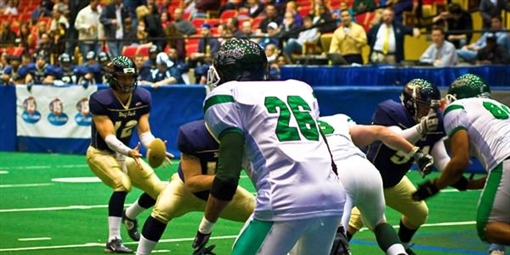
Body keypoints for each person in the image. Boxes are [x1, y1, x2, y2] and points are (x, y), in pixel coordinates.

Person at [192, 38, 346, 255]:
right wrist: (339, 223)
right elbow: (330, 161)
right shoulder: (299, 89)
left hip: (283, 198)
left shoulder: (229, 96)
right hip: (333, 197)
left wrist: (205, 227)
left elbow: (227, 177)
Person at [346, 78, 464, 255]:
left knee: (419, 212)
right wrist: (421, 128)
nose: (429, 112)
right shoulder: (390, 111)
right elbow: (397, 140)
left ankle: (403, 245)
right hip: (370, 179)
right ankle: (334, 248)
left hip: (395, 180)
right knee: (354, 221)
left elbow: (440, 156)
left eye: (432, 107)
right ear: (410, 103)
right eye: (424, 107)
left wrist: (453, 170)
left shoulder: (433, 122)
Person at [412, 73, 510, 247]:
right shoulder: (499, 107)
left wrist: (435, 186)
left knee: (489, 226)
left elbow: (460, 161)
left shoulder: (457, 107)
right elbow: (500, 181)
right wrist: (469, 184)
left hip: (505, 160)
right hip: (504, 161)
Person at [86, 56, 172, 253]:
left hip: (127, 154)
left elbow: (144, 132)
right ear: (112, 77)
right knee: (122, 184)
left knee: (160, 191)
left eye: (130, 77)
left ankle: (130, 215)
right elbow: (108, 137)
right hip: (100, 153)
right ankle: (113, 239)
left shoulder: (142, 98)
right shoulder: (101, 100)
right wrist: (128, 151)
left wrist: (154, 146)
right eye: (123, 78)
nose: (127, 81)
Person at [318, 114, 434, 255]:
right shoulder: (339, 119)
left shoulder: (297, 130)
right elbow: (380, 132)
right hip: (367, 169)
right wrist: (415, 153)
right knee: (379, 223)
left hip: (338, 176)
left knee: (333, 237)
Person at [135, 120, 256, 255]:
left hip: (224, 193)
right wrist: (226, 177)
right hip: (184, 191)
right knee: (162, 210)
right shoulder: (194, 135)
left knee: (263, 213)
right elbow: (192, 182)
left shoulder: (246, 137)